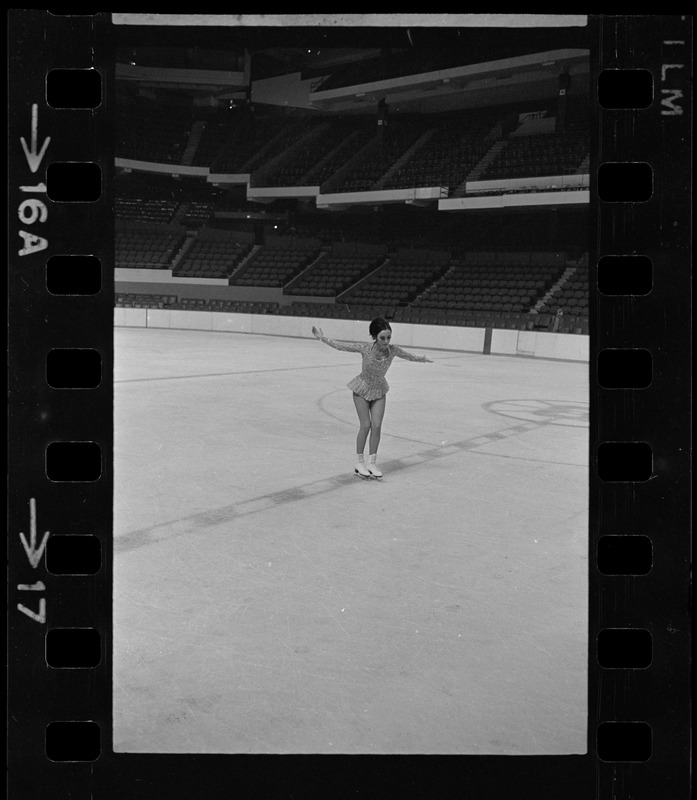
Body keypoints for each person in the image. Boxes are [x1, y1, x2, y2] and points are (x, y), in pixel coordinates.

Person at [312, 317, 432, 479]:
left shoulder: (393, 350)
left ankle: (372, 463)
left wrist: (421, 359)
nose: (386, 341)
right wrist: (322, 338)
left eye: (389, 337)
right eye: (382, 338)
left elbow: (408, 355)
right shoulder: (365, 348)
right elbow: (342, 346)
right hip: (361, 389)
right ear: (374, 336)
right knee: (366, 425)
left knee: (377, 425)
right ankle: (359, 462)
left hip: (379, 390)